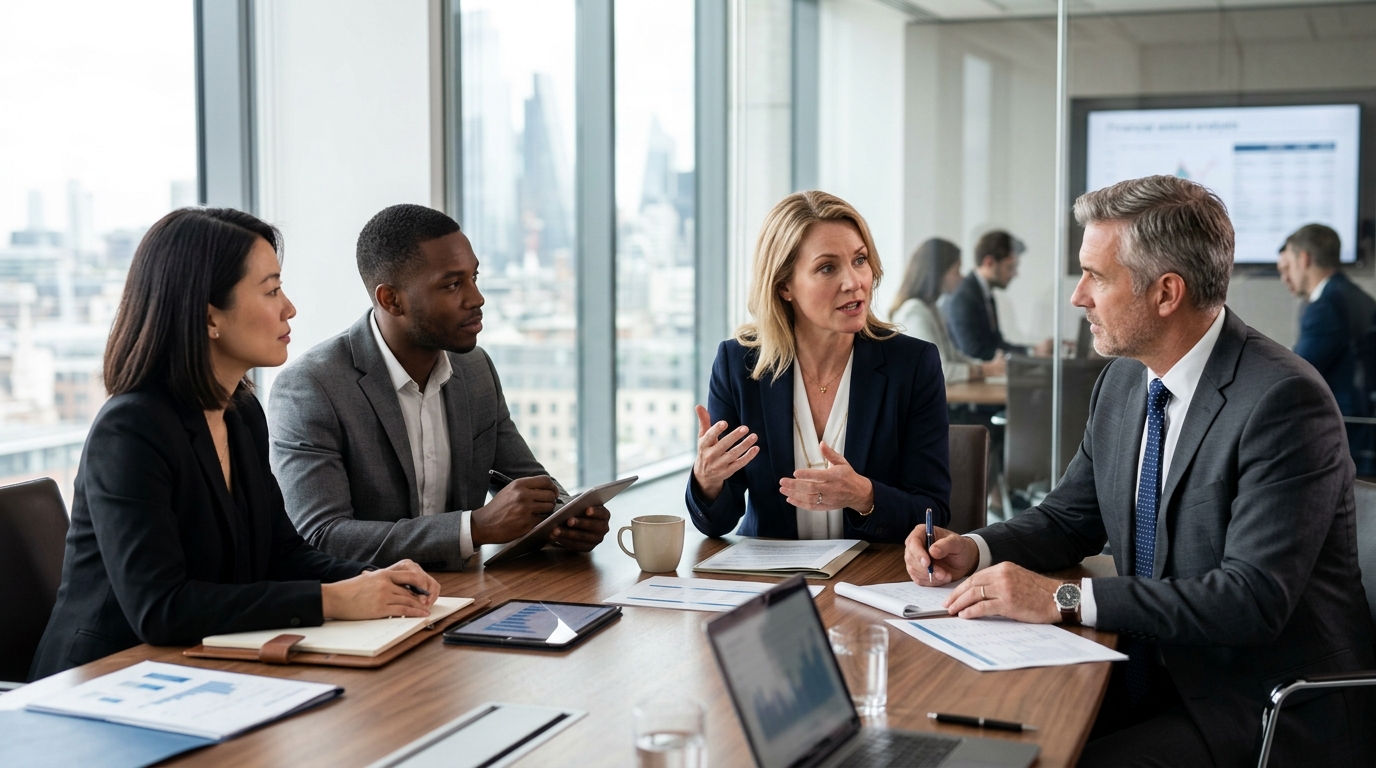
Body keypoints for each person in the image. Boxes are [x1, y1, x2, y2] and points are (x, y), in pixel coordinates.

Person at [905, 176, 1374, 767]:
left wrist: (1064, 597)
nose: (1078, 297)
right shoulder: (1125, 380)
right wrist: (973, 547)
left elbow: (1249, 600)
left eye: (1096, 277)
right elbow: (1070, 517)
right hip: (1145, 671)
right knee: (987, 738)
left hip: (1259, 705)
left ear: (1166, 292)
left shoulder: (1283, 401)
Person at [31, 208, 439, 680]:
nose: (289, 308)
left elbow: (281, 553)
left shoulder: (241, 413)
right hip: (104, 681)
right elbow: (160, 606)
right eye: (271, 290)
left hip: (201, 668)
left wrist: (368, 579)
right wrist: (333, 600)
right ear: (209, 318)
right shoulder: (130, 429)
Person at [269, 204, 609, 571]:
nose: (476, 298)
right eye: (452, 284)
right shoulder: (312, 387)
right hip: (367, 610)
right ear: (391, 300)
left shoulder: (474, 369)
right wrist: (473, 528)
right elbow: (322, 535)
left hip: (465, 596)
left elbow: (526, 481)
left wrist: (568, 518)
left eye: (474, 277)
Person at [686, 191, 951, 542]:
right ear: (784, 286)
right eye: (828, 268)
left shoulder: (913, 365)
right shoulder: (739, 365)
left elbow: (935, 513)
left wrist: (865, 496)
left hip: (872, 582)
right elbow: (716, 524)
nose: (854, 282)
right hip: (774, 585)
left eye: (860, 260)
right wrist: (707, 479)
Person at [1277, 223, 1376, 416]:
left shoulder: (1326, 306)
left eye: (1287, 267)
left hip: (1345, 422)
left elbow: (1299, 368)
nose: (1284, 278)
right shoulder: (1354, 295)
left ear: (1304, 259)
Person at [891, 237, 1005, 384]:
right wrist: (987, 370)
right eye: (956, 270)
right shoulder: (914, 312)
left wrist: (988, 366)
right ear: (939, 272)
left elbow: (952, 356)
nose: (961, 277)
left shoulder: (931, 308)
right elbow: (939, 370)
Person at [944, 229, 1053, 361]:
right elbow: (972, 351)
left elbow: (997, 344)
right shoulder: (963, 297)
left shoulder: (984, 294)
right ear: (989, 262)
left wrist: (1033, 350)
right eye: (1010, 267)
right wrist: (1029, 352)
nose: (1015, 274)